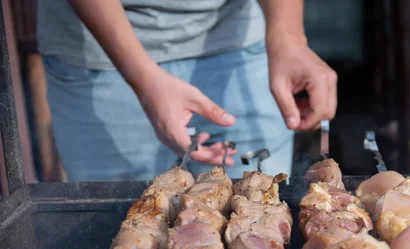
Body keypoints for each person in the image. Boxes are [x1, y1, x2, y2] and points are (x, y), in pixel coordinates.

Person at [37, 0, 338, 181]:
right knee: (114, 234)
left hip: (238, 45)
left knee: (261, 229)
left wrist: (289, 38)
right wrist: (141, 79)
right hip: (100, 56)